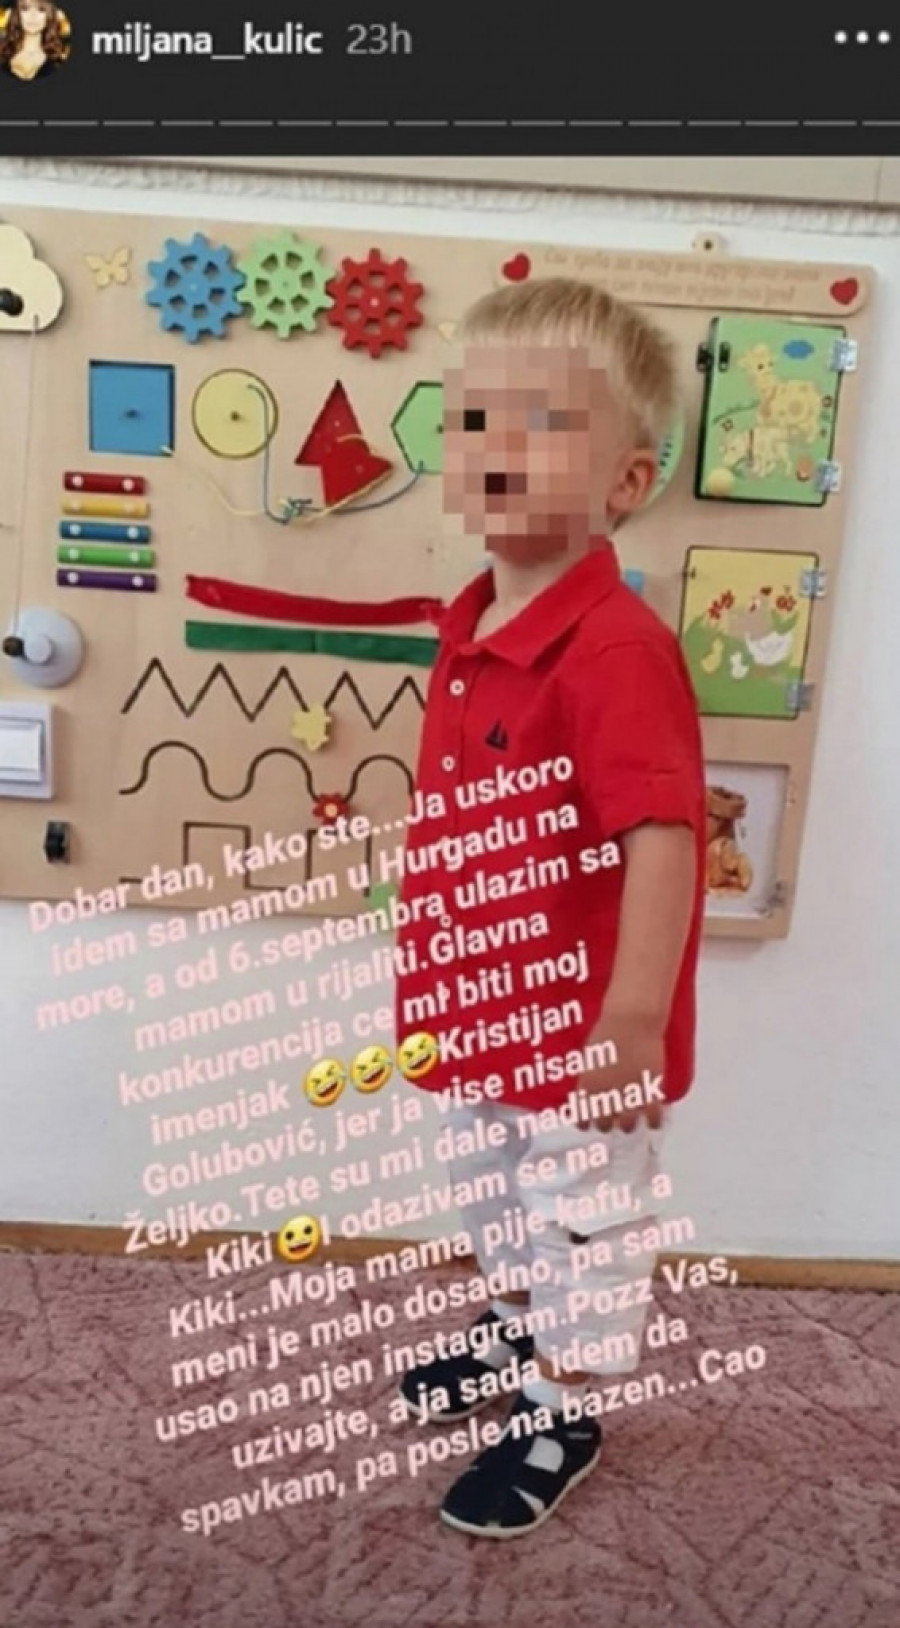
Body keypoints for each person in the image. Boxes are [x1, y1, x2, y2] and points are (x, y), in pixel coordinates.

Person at [393, 277, 706, 1538]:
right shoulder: (470, 627)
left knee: (583, 1220)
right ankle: (518, 1327)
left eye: (542, 422)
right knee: (492, 1195)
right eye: (473, 419)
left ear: (624, 481)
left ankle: (564, 1405)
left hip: (582, 1035)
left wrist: (632, 1018)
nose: (496, 445)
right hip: (480, 1008)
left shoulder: (617, 647)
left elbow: (664, 834)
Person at [0, 0, 68, 80]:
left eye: (41, 9)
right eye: (25, 9)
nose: (32, 16)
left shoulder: (58, 63)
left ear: (49, 16)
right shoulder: (2, 55)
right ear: (17, 14)